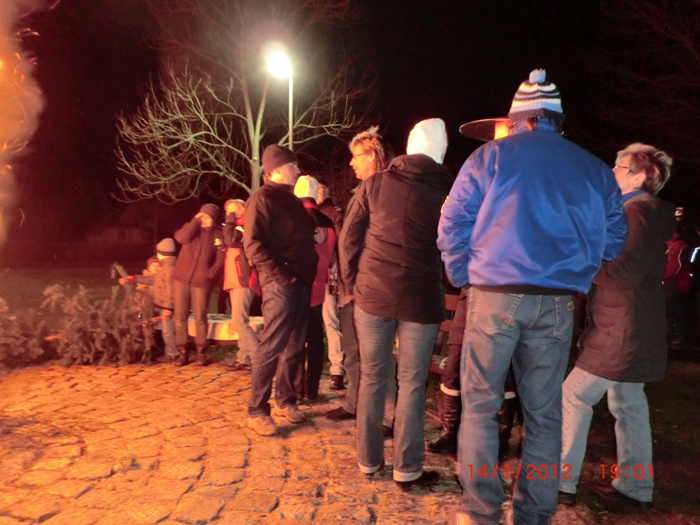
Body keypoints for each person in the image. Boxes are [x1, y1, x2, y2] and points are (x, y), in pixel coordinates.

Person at [438, 69, 628, 524]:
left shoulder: (489, 157)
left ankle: (480, 511)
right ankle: (533, 515)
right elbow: (614, 240)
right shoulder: (594, 168)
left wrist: (464, 274)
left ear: (518, 118)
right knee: (544, 415)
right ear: (555, 120)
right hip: (558, 302)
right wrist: (577, 261)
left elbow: (453, 223)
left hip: (493, 295)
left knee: (480, 408)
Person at [559, 143, 675, 510]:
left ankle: (561, 483)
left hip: (621, 326)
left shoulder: (636, 214)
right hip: (634, 323)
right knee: (628, 403)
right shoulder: (640, 213)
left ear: (639, 176)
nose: (611, 173)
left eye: (618, 167)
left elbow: (623, 273)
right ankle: (636, 489)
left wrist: (585, 262)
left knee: (573, 395)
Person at [341, 118, 453, 488]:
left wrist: (352, 283)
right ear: (440, 153)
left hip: (373, 293)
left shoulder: (375, 183)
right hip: (420, 296)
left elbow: (349, 237)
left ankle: (368, 460)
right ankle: (407, 468)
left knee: (373, 377)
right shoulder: (450, 190)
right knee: (412, 383)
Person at [324, 126, 397, 438]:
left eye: (356, 156)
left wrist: (355, 284)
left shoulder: (387, 191)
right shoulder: (362, 191)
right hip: (353, 285)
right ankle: (354, 402)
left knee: (379, 355)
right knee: (352, 348)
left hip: (372, 287)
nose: (351, 162)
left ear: (374, 156)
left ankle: (389, 416)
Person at [243, 144, 317, 436]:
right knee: (272, 346)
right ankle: (257, 410)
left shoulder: (292, 199)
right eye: (292, 165)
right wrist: (283, 277)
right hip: (280, 284)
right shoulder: (261, 199)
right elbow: (253, 245)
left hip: (301, 282)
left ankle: (286, 400)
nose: (298, 170)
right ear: (274, 170)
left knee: (295, 346)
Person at [294, 175, 336, 400]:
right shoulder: (327, 221)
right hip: (318, 287)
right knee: (316, 339)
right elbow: (329, 256)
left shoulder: (293, 217)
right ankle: (311, 388)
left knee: (296, 341)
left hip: (296, 288)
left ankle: (296, 387)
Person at [172, 204, 225, 367]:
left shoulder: (217, 236)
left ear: (213, 220)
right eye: (202, 216)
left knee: (200, 317)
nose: (204, 220)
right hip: (181, 279)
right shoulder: (191, 229)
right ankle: (183, 352)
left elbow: (220, 258)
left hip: (201, 283)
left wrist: (209, 274)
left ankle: (201, 352)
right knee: (180, 317)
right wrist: (195, 220)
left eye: (208, 217)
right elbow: (181, 238)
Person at [120, 238, 178, 362]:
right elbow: (152, 279)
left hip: (166, 307)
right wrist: (134, 278)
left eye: (158, 253)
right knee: (151, 322)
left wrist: (167, 308)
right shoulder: (166, 268)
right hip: (159, 305)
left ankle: (172, 354)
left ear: (162, 254)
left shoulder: (169, 269)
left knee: (167, 331)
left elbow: (170, 291)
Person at [222, 198, 259, 372]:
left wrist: (229, 223)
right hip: (235, 278)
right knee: (239, 320)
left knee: (239, 322)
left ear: (242, 209)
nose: (230, 215)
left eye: (233, 211)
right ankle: (244, 358)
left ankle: (258, 358)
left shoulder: (245, 225)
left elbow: (231, 240)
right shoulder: (237, 226)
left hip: (242, 278)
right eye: (228, 212)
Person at [316, 176, 345, 391]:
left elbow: (341, 246)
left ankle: (337, 370)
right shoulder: (303, 212)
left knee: (331, 322)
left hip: (327, 276)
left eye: (318, 188)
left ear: (326, 190)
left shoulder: (334, 214)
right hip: (310, 277)